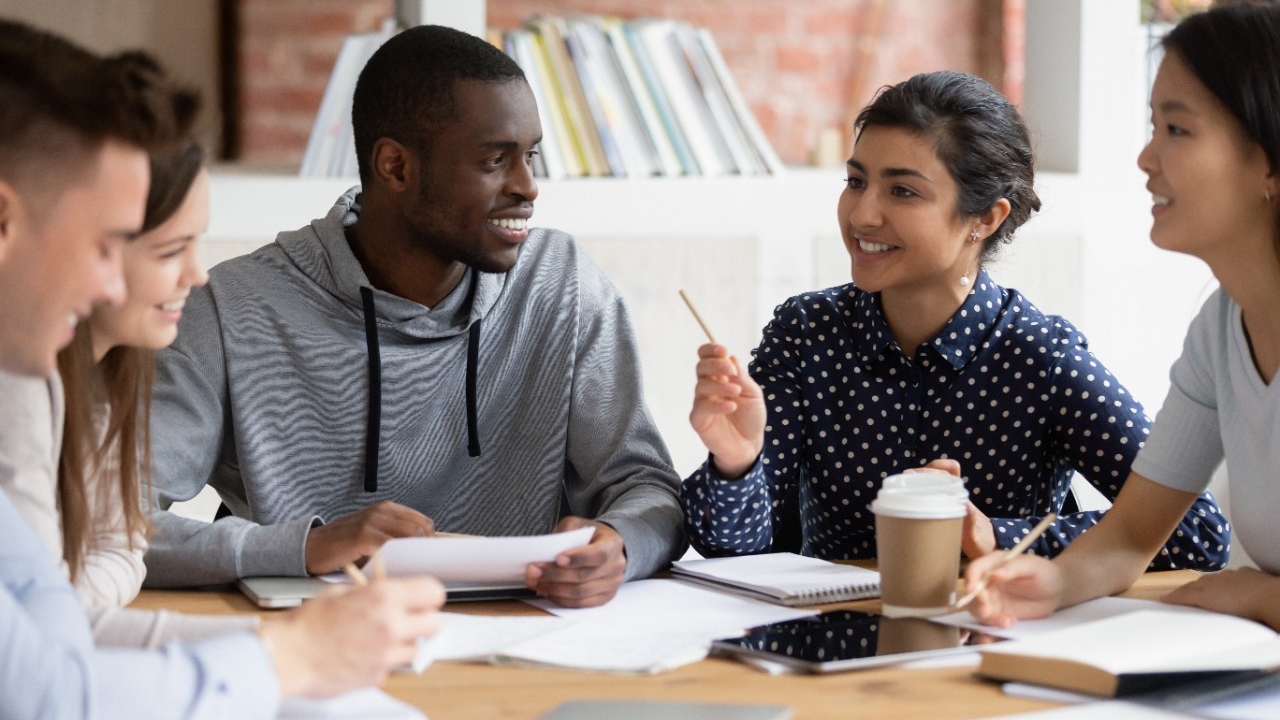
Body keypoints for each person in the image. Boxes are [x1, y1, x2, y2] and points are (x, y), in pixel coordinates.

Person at [143, 24, 684, 608]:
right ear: (396, 167)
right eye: (495, 160)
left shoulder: (563, 285)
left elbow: (646, 488)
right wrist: (304, 547)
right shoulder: (232, 307)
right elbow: (111, 523)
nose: (528, 186)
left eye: (530, 156)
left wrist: (619, 545)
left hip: (529, 641)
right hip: (323, 650)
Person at [0, 19, 443, 719]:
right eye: (107, 243)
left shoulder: (39, 379)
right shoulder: (23, 385)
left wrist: (302, 646)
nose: (112, 286)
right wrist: (288, 654)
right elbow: (45, 695)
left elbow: (56, 635)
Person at [681, 70, 1228, 570]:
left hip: (984, 647)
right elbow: (732, 549)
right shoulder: (807, 333)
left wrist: (1001, 536)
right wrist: (736, 463)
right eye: (855, 182)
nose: (862, 214)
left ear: (985, 218)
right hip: (825, 652)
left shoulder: (1041, 356)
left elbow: (1199, 533)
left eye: (902, 191)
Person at [967, 2, 1280, 631]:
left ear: (1268, 160)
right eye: (1153, 125)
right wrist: (1048, 581)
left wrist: (1260, 597)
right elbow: (1132, 533)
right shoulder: (1222, 329)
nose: (1146, 157)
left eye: (1178, 130)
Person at [0, 137, 266, 647]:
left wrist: (69, 599)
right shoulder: (22, 389)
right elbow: (41, 629)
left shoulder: (106, 384)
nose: (199, 274)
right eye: (170, 249)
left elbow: (122, 550)